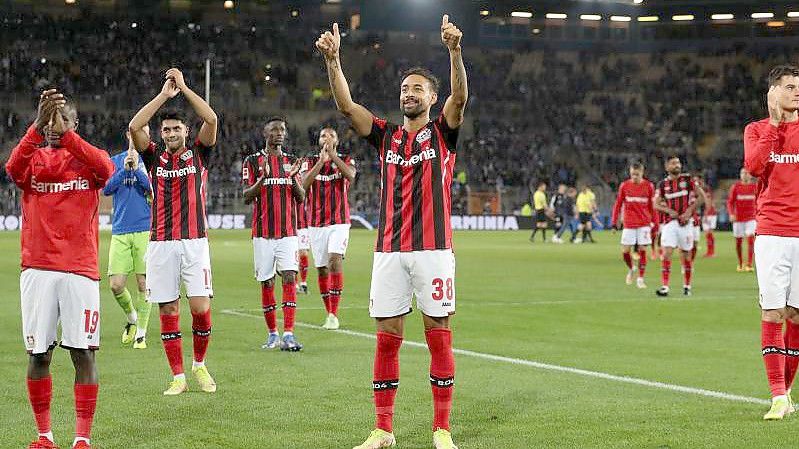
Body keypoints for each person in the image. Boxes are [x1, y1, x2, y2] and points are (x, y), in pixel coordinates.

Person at [316, 14, 466, 449]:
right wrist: (334, 60)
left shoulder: (442, 134)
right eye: (404, 89)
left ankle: (442, 429)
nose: (409, 93)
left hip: (434, 251)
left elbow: (461, 96)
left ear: (432, 98)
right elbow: (346, 107)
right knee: (387, 339)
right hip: (388, 252)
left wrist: (454, 52)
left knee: (438, 332)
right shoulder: (386, 137)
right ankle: (383, 429)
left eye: (417, 89)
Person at [7, 89, 115, 449]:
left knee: (82, 352)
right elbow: (12, 170)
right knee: (39, 354)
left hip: (80, 269)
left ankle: (82, 438)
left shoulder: (89, 159)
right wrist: (36, 126)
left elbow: (107, 170)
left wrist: (66, 137)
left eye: (62, 119)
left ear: (75, 123)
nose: (55, 127)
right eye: (50, 120)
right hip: (37, 268)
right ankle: (44, 436)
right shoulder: (33, 160)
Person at [129, 68, 218, 395]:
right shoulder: (153, 158)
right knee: (168, 309)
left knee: (200, 308)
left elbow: (212, 119)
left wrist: (184, 87)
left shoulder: (200, 153)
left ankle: (199, 364)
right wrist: (164, 96)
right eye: (165, 130)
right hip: (161, 245)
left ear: (185, 130)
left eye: (176, 128)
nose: (170, 134)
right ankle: (178, 376)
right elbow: (135, 126)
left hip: (195, 244)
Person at [744, 64, 799, 420]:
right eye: (790, 87)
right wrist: (775, 126)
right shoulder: (757, 129)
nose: (797, 92)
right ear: (773, 92)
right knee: (773, 311)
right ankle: (777, 396)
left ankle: (787, 391)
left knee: (796, 315)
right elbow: (754, 166)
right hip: (773, 232)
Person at [243, 117, 305, 350]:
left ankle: (288, 334)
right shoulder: (252, 161)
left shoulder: (291, 162)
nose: (279, 133)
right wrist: (263, 178)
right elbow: (247, 196)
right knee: (267, 281)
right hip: (263, 233)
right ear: (265, 132)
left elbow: (301, 198)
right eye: (275, 129)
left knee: (290, 276)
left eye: (282, 130)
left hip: (288, 231)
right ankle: (272, 334)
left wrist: (293, 179)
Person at [102, 128, 153, 349]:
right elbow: (106, 189)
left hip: (144, 228)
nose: (140, 136)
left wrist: (138, 171)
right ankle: (132, 317)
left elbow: (153, 191)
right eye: (136, 132)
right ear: (128, 135)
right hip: (121, 230)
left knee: (144, 284)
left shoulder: (152, 161)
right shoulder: (115, 161)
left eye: (145, 132)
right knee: (115, 285)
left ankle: (141, 334)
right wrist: (124, 171)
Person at [301, 125, 357, 330]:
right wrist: (320, 163)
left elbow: (350, 176)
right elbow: (304, 184)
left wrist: (333, 157)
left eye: (331, 135)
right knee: (322, 268)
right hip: (316, 224)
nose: (327, 138)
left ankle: (334, 313)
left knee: (335, 260)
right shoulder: (309, 162)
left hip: (339, 221)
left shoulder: (347, 159)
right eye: (323, 135)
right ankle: (329, 312)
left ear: (337, 141)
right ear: (318, 140)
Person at [654, 155, 703, 297]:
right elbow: (656, 204)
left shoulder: (687, 180)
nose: (677, 165)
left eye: (678, 163)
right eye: (673, 163)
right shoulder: (663, 185)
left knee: (686, 255)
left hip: (686, 223)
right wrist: (669, 211)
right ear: (667, 167)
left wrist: (689, 211)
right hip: (670, 223)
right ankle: (665, 286)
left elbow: (701, 197)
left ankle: (687, 286)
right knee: (667, 253)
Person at [611, 162, 655, 289]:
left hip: (644, 223)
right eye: (632, 174)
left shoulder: (649, 186)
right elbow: (618, 205)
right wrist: (614, 223)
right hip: (629, 223)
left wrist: (655, 224)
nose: (635, 177)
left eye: (637, 174)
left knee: (642, 250)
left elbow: (652, 207)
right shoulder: (624, 186)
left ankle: (641, 279)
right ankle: (631, 268)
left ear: (642, 172)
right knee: (625, 251)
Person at [727, 167, 758, 272]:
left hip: (751, 218)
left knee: (751, 239)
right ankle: (740, 263)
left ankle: (749, 264)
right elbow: (730, 202)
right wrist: (731, 214)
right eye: (743, 173)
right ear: (740, 175)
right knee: (738, 242)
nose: (745, 175)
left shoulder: (755, 187)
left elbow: (759, 201)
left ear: (750, 175)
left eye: (747, 173)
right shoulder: (735, 187)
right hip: (738, 218)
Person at [699, 178, 717, 258]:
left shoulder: (706, 193)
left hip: (709, 215)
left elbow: (709, 204)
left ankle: (711, 252)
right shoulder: (707, 192)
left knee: (708, 234)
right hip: (711, 214)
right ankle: (711, 252)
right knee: (709, 234)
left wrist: (705, 215)